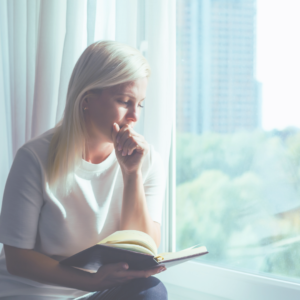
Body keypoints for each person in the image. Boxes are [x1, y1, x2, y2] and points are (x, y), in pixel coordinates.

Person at [0, 41, 168, 300]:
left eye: (140, 104)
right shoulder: (34, 158)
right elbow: (17, 259)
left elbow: (143, 248)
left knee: (151, 291)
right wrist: (89, 281)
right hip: (34, 293)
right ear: (87, 100)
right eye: (125, 101)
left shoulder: (146, 160)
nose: (135, 115)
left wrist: (131, 174)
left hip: (98, 291)